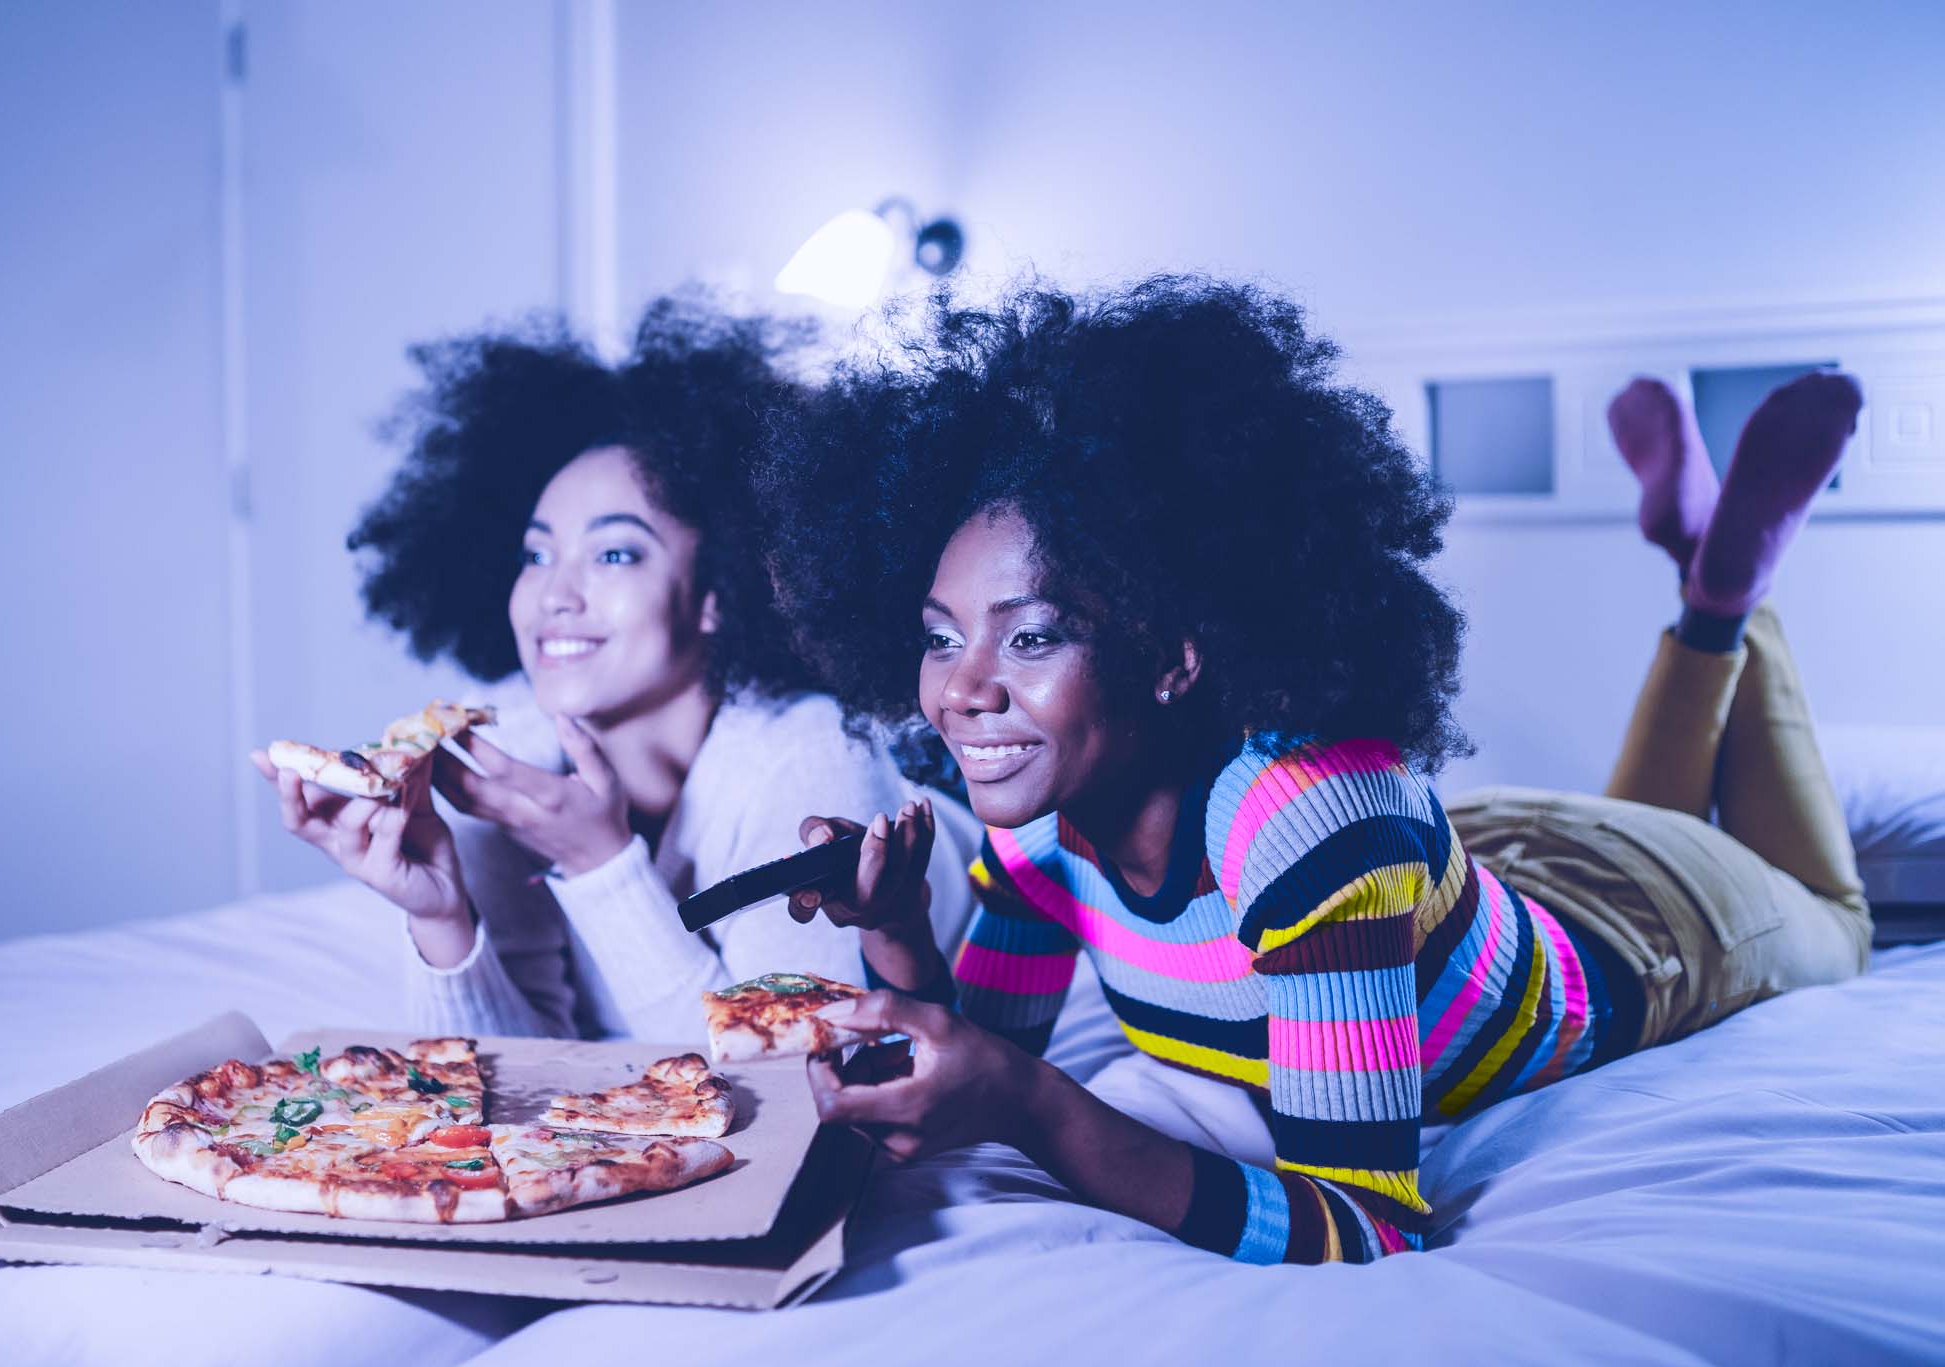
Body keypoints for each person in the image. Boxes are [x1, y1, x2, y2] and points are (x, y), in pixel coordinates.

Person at [756, 276, 1869, 1265]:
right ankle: (1699, 567)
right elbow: (981, 1059)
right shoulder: (1035, 823)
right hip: (1494, 857)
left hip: (1655, 927)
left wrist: (1041, 1111)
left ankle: (1722, 596)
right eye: (941, 635)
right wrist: (895, 923)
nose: (962, 690)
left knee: (1836, 913)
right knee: (1630, 811)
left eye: (1033, 635)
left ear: (1174, 654)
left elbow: (1369, 1223)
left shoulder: (1312, 824)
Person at [251, 298, 977, 1042]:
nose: (553, 596)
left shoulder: (810, 760)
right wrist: (440, 917)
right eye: (536, 555)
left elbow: (779, 1076)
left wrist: (603, 866)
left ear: (716, 595)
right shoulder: (505, 755)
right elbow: (508, 1076)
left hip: (965, 846)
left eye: (614, 554)